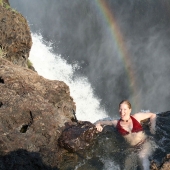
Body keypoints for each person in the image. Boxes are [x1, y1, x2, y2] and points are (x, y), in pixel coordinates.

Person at [95, 100, 157, 170]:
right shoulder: (116, 123)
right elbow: (100, 122)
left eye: (125, 109)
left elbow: (153, 115)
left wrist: (152, 127)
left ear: (130, 110)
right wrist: (98, 125)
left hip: (144, 144)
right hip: (132, 149)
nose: (122, 112)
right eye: (120, 109)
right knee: (126, 167)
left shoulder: (136, 117)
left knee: (142, 156)